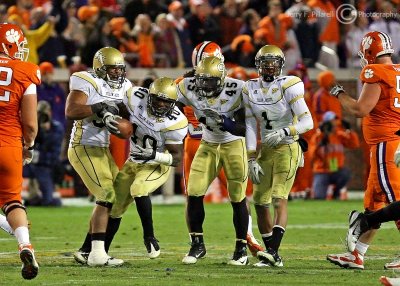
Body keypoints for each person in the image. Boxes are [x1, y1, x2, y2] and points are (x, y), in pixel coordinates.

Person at [180, 41, 264, 257]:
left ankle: (244, 240)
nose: (206, 81)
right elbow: (162, 102)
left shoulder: (235, 87)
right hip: (200, 142)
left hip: (228, 141)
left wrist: (250, 151)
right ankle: (197, 243)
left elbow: (247, 124)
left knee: (238, 195)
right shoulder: (185, 84)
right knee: (193, 194)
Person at [326, 31, 400, 270]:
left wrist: (338, 93)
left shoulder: (376, 72)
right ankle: (357, 255)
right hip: (390, 143)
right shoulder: (397, 71)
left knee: (396, 199)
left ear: (369, 52)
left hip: (386, 144)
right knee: (374, 203)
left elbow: (360, 109)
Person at [244, 44, 313, 267]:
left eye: (274, 63)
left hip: (288, 146)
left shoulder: (289, 85)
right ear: (258, 65)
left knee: (278, 198)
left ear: (281, 65)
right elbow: (250, 125)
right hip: (266, 149)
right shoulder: (249, 88)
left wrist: (285, 130)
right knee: (259, 201)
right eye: (265, 63)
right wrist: (252, 157)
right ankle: (268, 251)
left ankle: (274, 251)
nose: (270, 67)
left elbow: (307, 122)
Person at [65, 46, 132, 267]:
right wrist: (99, 107)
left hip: (103, 149)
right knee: (107, 195)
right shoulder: (86, 80)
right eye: (112, 69)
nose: (117, 74)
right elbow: (72, 110)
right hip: (83, 146)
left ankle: (87, 251)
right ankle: (96, 255)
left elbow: (129, 115)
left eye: (119, 69)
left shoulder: (126, 87)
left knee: (121, 197)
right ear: (100, 68)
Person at [109, 77, 188, 259]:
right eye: (157, 99)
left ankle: (149, 236)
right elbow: (119, 108)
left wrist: (153, 155)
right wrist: (115, 118)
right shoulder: (135, 97)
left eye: (166, 101)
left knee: (139, 188)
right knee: (114, 207)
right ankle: (98, 250)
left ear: (173, 103)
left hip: (157, 164)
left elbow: (176, 159)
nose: (160, 104)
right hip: (133, 161)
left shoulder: (176, 122)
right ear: (149, 95)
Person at [0, 23, 40, 279]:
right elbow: (30, 123)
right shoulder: (26, 71)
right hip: (8, 143)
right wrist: (29, 145)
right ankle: (24, 243)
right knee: (12, 200)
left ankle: (14, 229)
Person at [310, 111, 360, 200]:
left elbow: (354, 144)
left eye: (335, 120)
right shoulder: (317, 137)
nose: (334, 123)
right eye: (332, 121)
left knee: (346, 173)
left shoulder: (339, 135)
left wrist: (349, 130)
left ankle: (336, 193)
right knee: (319, 198)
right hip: (322, 171)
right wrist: (320, 144)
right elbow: (311, 156)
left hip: (336, 170)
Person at [23, 100, 64, 206]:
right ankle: (34, 197)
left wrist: (46, 132)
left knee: (48, 201)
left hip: (48, 167)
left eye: (43, 113)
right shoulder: (33, 128)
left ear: (50, 112)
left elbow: (54, 154)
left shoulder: (56, 128)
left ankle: (39, 198)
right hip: (34, 167)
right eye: (39, 114)